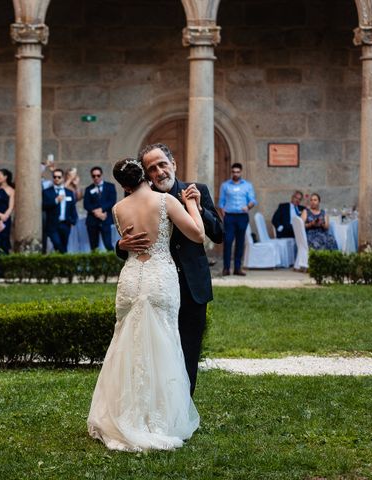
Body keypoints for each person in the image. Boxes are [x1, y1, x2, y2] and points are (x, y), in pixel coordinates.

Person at [87, 157, 205, 452]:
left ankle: (122, 413)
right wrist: (191, 205)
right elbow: (198, 234)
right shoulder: (164, 200)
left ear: (123, 184)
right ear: (144, 176)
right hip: (159, 277)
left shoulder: (117, 209)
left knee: (126, 342)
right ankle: (158, 419)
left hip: (130, 278)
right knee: (162, 341)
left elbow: (128, 242)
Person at [116, 143, 223, 396]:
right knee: (154, 350)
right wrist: (120, 245)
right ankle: (156, 401)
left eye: (163, 164)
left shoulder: (197, 190)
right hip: (156, 286)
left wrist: (198, 207)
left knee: (188, 349)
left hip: (191, 284)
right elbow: (128, 241)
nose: (160, 172)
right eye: (152, 168)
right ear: (146, 174)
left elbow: (217, 234)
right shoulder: (141, 198)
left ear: (173, 164)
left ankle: (183, 405)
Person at [218, 162, 256, 276]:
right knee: (228, 242)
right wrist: (223, 213)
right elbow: (221, 202)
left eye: (238, 172)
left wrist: (248, 206)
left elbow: (253, 200)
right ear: (231, 172)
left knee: (240, 242)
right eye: (234, 172)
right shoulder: (225, 185)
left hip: (242, 216)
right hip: (229, 217)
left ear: (241, 172)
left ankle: (238, 268)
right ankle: (226, 268)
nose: (236, 174)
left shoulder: (247, 185)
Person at [43, 169, 78, 253]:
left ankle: (62, 263)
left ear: (62, 178)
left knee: (64, 244)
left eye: (59, 177)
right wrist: (55, 201)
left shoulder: (69, 192)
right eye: (55, 177)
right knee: (57, 244)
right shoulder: (47, 192)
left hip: (65, 223)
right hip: (52, 224)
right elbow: (44, 205)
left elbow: (72, 208)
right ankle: (64, 260)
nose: (57, 179)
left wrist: (73, 220)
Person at [83, 166, 117, 250]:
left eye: (98, 175)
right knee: (94, 246)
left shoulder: (110, 186)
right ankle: (95, 263)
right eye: (93, 176)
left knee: (108, 244)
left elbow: (112, 201)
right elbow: (86, 204)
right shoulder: (88, 189)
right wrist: (96, 213)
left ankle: (112, 262)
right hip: (92, 221)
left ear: (101, 175)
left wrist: (101, 210)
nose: (96, 178)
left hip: (105, 219)